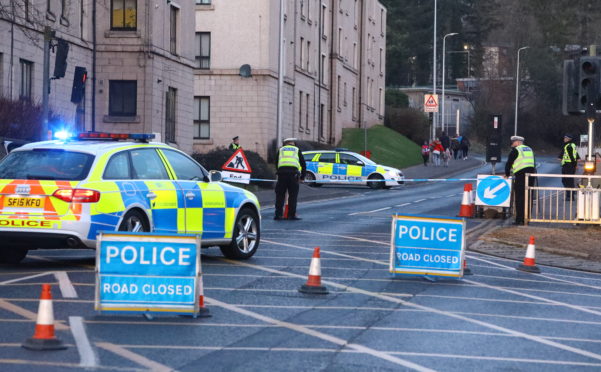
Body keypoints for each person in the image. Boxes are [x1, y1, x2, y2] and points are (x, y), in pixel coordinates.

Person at [505, 135, 536, 225]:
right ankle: (527, 218)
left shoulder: (516, 150)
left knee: (519, 198)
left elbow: (509, 163)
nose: (512, 144)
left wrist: (507, 174)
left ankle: (520, 220)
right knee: (528, 197)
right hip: (530, 175)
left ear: (518, 142)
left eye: (513, 142)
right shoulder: (529, 149)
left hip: (521, 176)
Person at [274, 138, 306, 221]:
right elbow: (303, 164)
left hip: (282, 174)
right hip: (293, 175)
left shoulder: (281, 149)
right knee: (293, 196)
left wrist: (279, 171)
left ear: (285, 143)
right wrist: (302, 177)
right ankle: (291, 215)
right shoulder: (297, 150)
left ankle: (278, 215)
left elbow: (276, 162)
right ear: (293, 143)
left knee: (280, 195)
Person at [558, 133, 579, 200]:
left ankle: (570, 196)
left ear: (568, 139)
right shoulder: (571, 145)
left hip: (569, 165)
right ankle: (570, 195)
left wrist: (574, 165)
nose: (564, 139)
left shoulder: (569, 146)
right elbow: (576, 156)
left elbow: (573, 157)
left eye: (565, 138)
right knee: (567, 180)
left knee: (568, 181)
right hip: (568, 165)